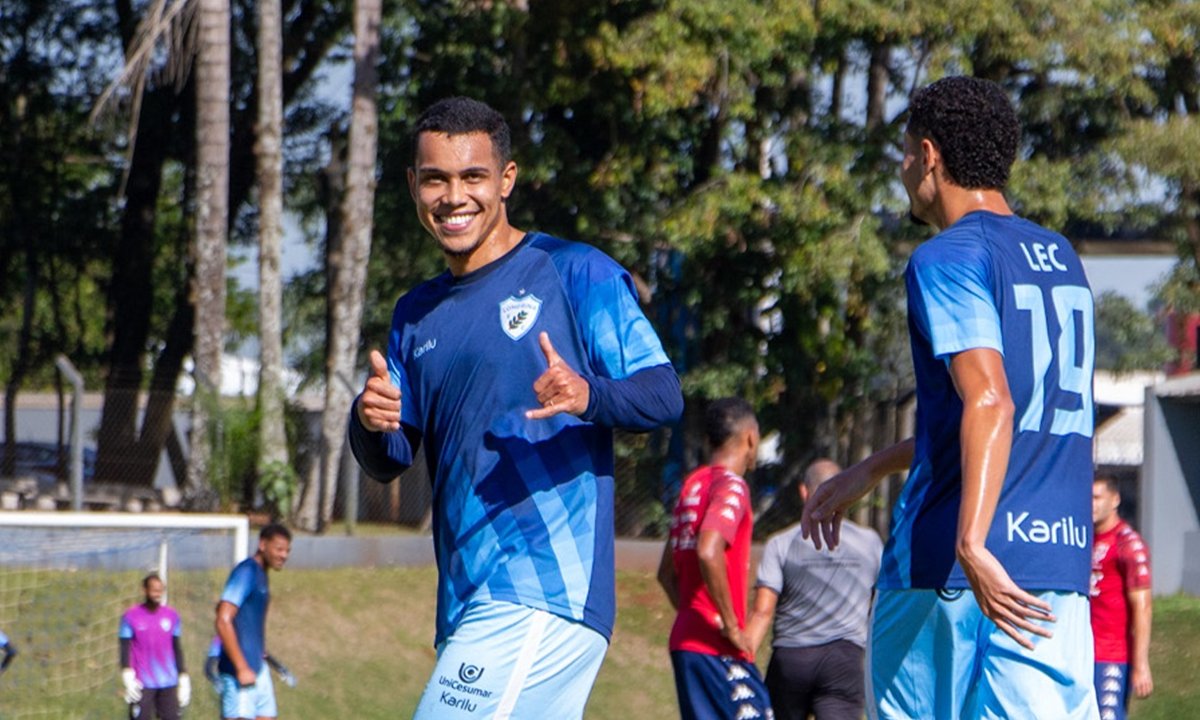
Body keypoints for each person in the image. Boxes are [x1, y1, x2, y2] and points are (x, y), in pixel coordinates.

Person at [348, 96, 683, 720]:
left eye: (472, 176)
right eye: (435, 179)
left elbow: (664, 393)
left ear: (506, 179)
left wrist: (589, 395)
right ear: (413, 185)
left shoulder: (574, 271)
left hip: (539, 591)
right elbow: (391, 458)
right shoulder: (414, 312)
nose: (454, 197)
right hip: (468, 601)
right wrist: (368, 420)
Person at [801, 75, 1099, 718]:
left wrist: (973, 543)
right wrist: (872, 468)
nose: (904, 170)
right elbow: (1005, 418)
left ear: (930, 155)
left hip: (950, 573)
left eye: (906, 153)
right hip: (1058, 573)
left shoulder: (948, 256)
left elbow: (990, 403)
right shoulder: (1062, 256)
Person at [657, 397, 772, 720]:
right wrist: (733, 626)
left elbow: (666, 574)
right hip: (717, 647)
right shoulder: (732, 486)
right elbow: (708, 550)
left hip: (686, 643)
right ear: (750, 437)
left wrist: (693, 614)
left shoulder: (692, 486)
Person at [746, 459, 882, 720]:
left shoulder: (781, 543)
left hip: (792, 660)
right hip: (845, 660)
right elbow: (881, 607)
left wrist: (742, 655)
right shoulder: (871, 543)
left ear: (804, 491)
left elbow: (762, 611)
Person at [1090, 474, 1153, 720]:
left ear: (1114, 499)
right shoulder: (1084, 540)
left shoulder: (1127, 543)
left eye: (1097, 497)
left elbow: (1143, 606)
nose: (1091, 504)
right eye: (1088, 498)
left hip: (1111, 656)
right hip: (1082, 652)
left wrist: (1141, 664)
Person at [214, 523, 292, 720]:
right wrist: (241, 667)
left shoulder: (260, 574)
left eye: (287, 550)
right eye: (279, 548)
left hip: (257, 666)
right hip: (239, 672)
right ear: (263, 545)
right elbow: (223, 620)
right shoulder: (246, 572)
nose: (284, 555)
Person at [119, 573, 190, 720]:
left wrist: (183, 676)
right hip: (142, 682)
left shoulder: (172, 616)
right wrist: (126, 672)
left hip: (168, 681)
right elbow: (124, 646)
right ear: (144, 590)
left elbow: (177, 647)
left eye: (160, 590)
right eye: (154, 590)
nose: (157, 593)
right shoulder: (131, 616)